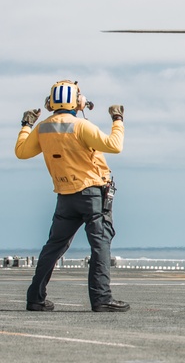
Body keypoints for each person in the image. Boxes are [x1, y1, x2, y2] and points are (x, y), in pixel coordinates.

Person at [15, 80, 129, 312]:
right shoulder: (80, 126)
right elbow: (114, 145)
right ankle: (101, 299)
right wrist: (117, 120)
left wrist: (27, 125)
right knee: (100, 245)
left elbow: (21, 152)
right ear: (76, 101)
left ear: (50, 103)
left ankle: (35, 298)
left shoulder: (43, 128)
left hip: (65, 196)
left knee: (53, 246)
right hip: (91, 194)